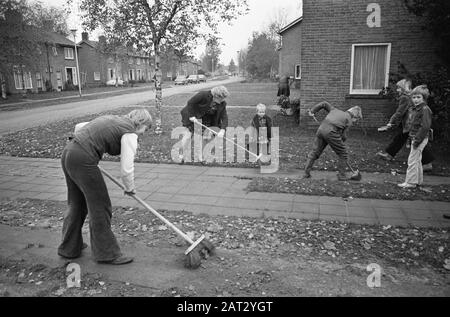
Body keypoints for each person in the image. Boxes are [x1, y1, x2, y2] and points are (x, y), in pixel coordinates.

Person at [58, 109, 153, 265]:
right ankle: (107, 253)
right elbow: (127, 168)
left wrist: (83, 147)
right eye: (146, 129)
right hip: (82, 160)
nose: (144, 133)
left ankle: (69, 248)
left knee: (77, 203)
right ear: (141, 123)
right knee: (100, 206)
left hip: (69, 152)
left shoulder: (113, 119)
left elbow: (79, 126)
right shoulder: (130, 133)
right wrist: (129, 188)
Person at [376, 79, 434, 171]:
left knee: (415, 142)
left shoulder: (405, 98)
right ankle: (389, 154)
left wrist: (391, 122)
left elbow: (399, 112)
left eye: (399, 88)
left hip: (410, 124)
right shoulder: (410, 97)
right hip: (410, 123)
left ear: (403, 88)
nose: (397, 90)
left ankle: (427, 163)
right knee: (400, 139)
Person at [303, 101, 363, 180]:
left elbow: (324, 104)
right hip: (331, 133)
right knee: (343, 153)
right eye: (357, 119)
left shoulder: (335, 110)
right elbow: (343, 136)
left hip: (321, 130)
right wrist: (342, 142)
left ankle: (306, 174)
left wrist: (313, 111)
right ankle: (341, 176)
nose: (355, 121)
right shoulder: (349, 120)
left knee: (314, 152)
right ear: (355, 116)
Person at [179, 85, 229, 163]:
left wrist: (222, 129)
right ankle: (181, 155)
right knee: (188, 136)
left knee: (206, 138)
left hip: (206, 119)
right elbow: (190, 103)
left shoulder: (222, 104)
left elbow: (224, 117)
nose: (222, 100)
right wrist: (192, 116)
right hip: (191, 116)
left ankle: (201, 157)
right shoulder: (203, 95)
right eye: (221, 98)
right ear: (216, 95)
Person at [398, 85, 432, 188]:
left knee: (412, 160)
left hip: (420, 138)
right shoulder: (417, 109)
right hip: (415, 137)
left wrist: (417, 140)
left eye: (419, 97)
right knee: (417, 160)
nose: (416, 100)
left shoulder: (425, 109)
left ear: (424, 98)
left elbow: (425, 126)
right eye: (414, 97)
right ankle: (418, 181)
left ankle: (410, 182)